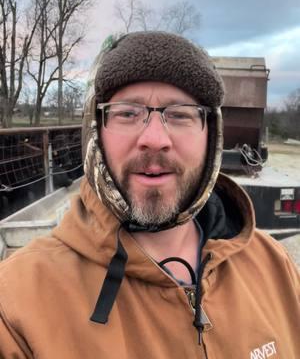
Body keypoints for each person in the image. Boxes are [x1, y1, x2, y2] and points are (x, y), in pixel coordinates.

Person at [0, 31, 299, 359]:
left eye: (180, 114)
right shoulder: (16, 304)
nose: (155, 139)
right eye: (127, 113)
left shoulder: (275, 268)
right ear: (96, 131)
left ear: (211, 136)